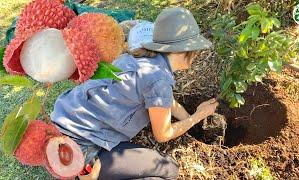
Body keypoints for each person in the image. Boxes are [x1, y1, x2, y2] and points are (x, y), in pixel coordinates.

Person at [50, 7, 219, 180]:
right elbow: (163, 134)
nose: (197, 54)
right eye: (196, 49)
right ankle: (86, 172)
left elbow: (165, 101)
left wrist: (188, 118)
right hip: (79, 149)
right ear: (184, 50)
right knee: (169, 169)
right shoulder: (158, 80)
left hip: (61, 125)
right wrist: (197, 117)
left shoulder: (141, 59)